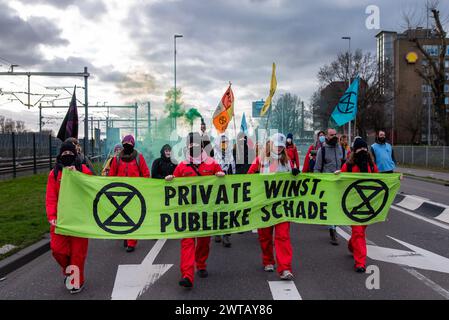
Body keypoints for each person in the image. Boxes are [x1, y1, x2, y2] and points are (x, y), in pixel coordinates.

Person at [165, 132, 225, 288]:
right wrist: (170, 180)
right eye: (190, 144)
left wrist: (221, 176)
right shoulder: (182, 165)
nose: (193, 147)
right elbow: (174, 183)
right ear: (187, 146)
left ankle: (201, 264)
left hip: (206, 211)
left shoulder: (212, 163)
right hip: (187, 211)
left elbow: (224, 183)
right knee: (187, 242)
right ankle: (187, 274)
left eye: (196, 144)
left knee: (204, 241)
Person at [248, 133, 299, 280]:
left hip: (281, 206)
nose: (279, 149)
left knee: (283, 237)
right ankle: (268, 260)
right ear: (270, 144)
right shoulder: (260, 160)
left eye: (281, 147)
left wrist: (295, 175)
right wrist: (255, 175)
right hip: (264, 205)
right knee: (265, 236)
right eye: (276, 146)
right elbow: (247, 178)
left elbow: (292, 183)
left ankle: (285, 268)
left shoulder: (287, 162)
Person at [46, 141, 92, 294]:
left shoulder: (83, 169)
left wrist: (77, 175)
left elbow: (91, 185)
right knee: (57, 250)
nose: (67, 156)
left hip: (79, 220)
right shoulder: (54, 174)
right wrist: (52, 216)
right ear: (60, 155)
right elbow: (51, 197)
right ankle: (69, 271)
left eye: (70, 153)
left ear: (75, 155)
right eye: (64, 153)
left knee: (78, 254)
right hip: (61, 221)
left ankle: (76, 281)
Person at [341, 138, 379, 273]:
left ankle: (352, 246)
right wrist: (338, 176)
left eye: (364, 148)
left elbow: (380, 183)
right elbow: (341, 183)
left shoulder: (372, 166)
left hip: (368, 205)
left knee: (360, 232)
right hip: (353, 206)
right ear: (354, 150)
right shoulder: (348, 166)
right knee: (358, 232)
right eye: (360, 148)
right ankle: (360, 263)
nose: (362, 151)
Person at [108, 135, 150, 252]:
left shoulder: (139, 158)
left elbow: (145, 173)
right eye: (125, 143)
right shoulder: (117, 159)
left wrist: (143, 187)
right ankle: (126, 235)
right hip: (120, 193)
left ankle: (131, 242)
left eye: (129, 143)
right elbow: (111, 176)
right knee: (122, 216)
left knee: (133, 217)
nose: (127, 145)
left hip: (135, 194)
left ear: (133, 145)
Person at [314, 128, 343, 246]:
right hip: (328, 183)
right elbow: (317, 168)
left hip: (339, 182)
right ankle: (333, 230)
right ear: (327, 136)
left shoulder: (340, 148)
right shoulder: (322, 150)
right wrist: (318, 183)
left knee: (337, 206)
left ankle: (333, 226)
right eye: (332, 135)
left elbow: (345, 163)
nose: (334, 136)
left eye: (335, 134)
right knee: (331, 207)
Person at [213, 135, 236, 247]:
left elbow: (234, 170)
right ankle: (217, 231)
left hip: (228, 187)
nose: (224, 144)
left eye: (226, 142)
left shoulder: (231, 155)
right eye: (222, 142)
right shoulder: (213, 155)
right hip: (216, 187)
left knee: (228, 211)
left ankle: (226, 235)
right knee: (218, 210)